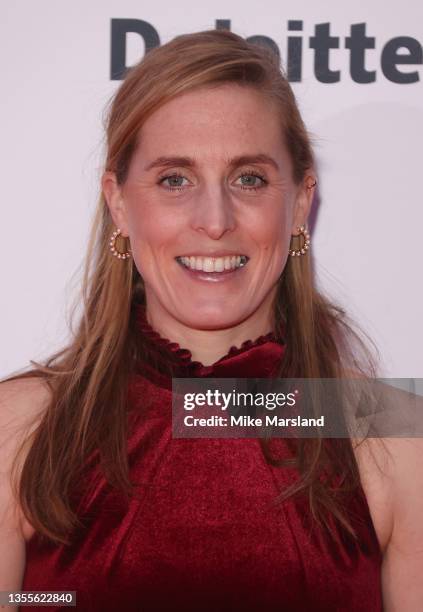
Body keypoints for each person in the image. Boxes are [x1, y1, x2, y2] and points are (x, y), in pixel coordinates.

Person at [1, 28, 422, 612]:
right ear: (119, 202)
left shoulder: (397, 436)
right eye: (175, 179)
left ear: (299, 203)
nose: (215, 219)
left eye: (249, 178)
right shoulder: (16, 431)